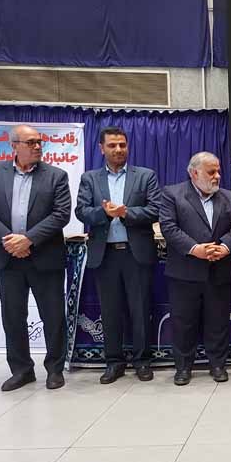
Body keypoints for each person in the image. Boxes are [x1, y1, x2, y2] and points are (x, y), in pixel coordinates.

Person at [0, 124, 71, 392]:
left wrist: (28, 239)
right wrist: (10, 240)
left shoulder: (56, 176)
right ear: (14, 146)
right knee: (13, 316)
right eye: (30, 142)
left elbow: (61, 214)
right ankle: (21, 370)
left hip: (45, 257)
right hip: (8, 257)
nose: (37, 146)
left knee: (53, 316)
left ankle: (54, 369)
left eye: (39, 142)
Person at [75, 127, 161, 384]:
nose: (118, 149)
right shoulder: (90, 178)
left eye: (122, 145)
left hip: (136, 254)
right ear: (101, 148)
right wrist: (105, 213)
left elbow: (155, 210)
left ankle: (142, 361)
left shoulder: (145, 176)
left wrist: (125, 213)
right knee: (110, 311)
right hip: (105, 255)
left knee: (140, 310)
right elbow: (81, 211)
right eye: (112, 145)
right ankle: (114, 362)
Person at [159, 152, 231, 386]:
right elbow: (169, 227)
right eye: (211, 172)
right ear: (194, 173)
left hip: (218, 270)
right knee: (183, 322)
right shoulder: (172, 194)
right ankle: (183, 367)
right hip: (185, 272)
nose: (217, 176)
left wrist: (224, 247)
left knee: (218, 321)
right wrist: (194, 249)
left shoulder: (227, 196)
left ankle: (217, 364)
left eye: (218, 171)